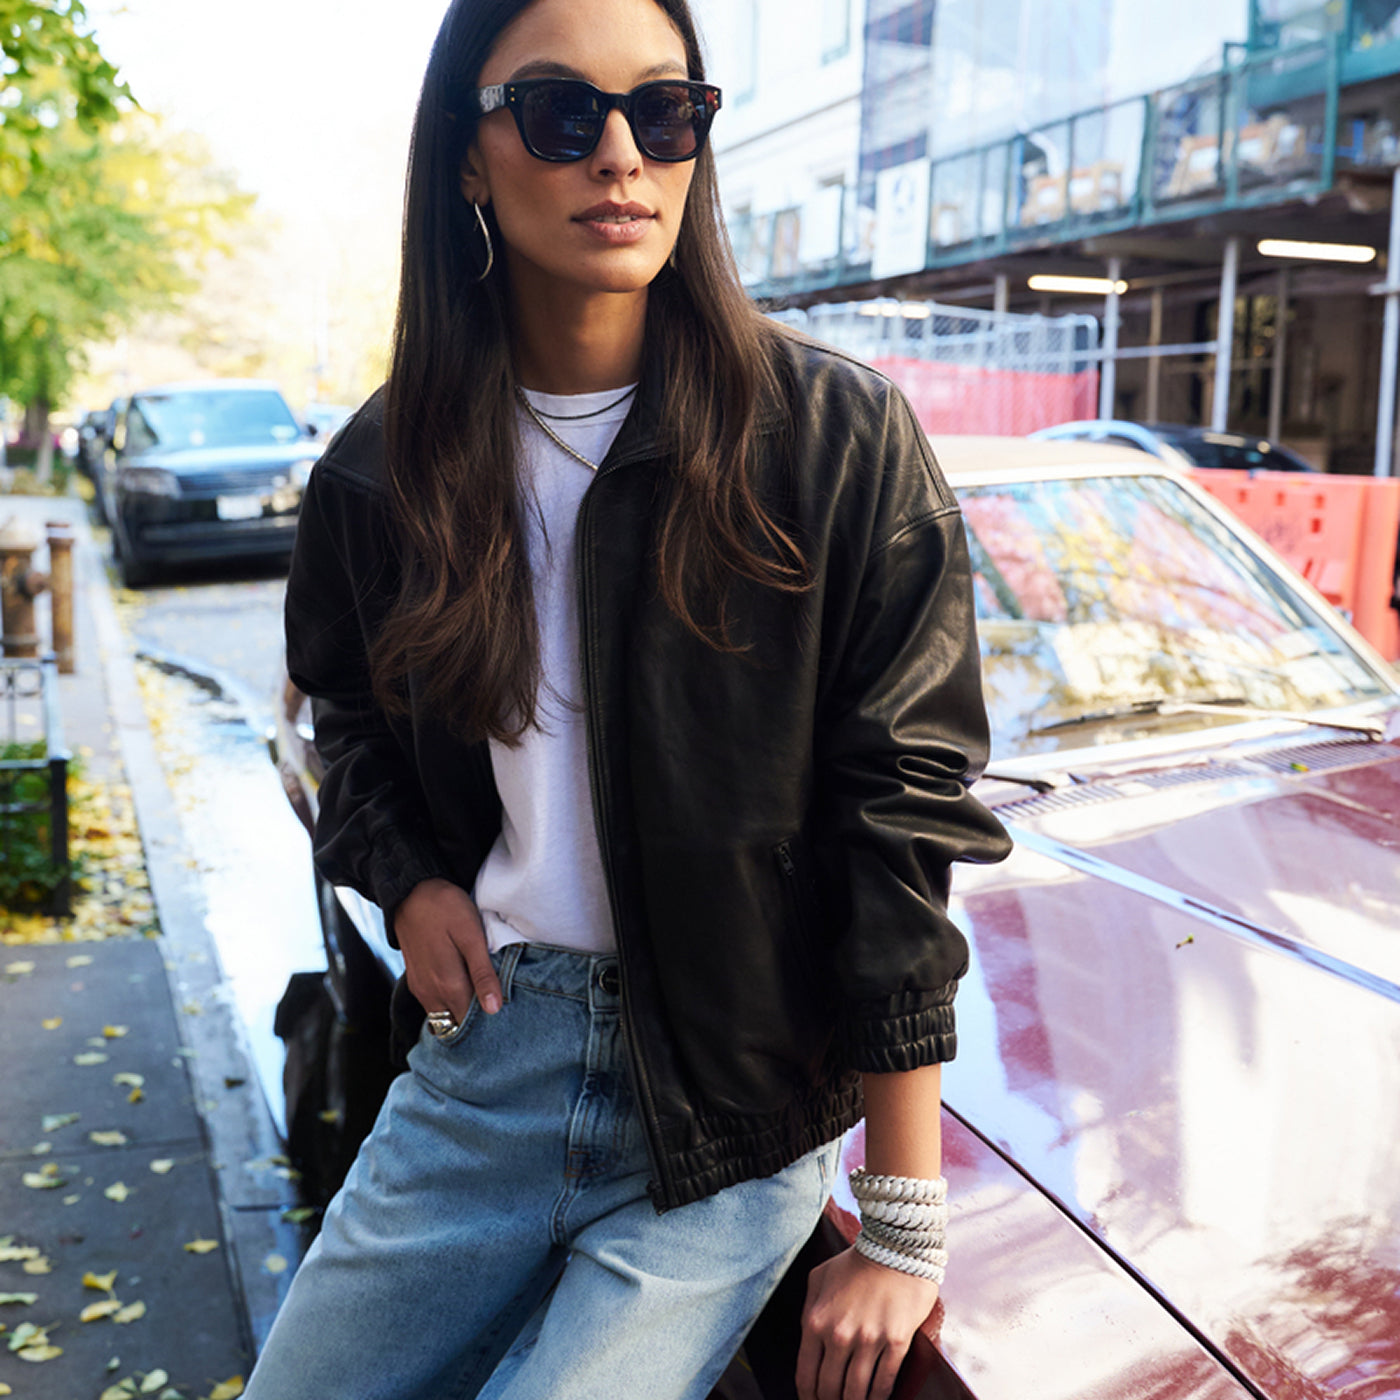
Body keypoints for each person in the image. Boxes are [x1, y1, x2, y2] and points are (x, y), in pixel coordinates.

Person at [247, 0, 1011, 1397]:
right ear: (468, 160)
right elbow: (342, 714)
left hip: (731, 1110)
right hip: (486, 1071)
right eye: (559, 112)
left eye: (664, 115)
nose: (621, 156)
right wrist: (410, 878)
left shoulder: (834, 444)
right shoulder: (381, 470)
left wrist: (900, 1221)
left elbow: (898, 820)